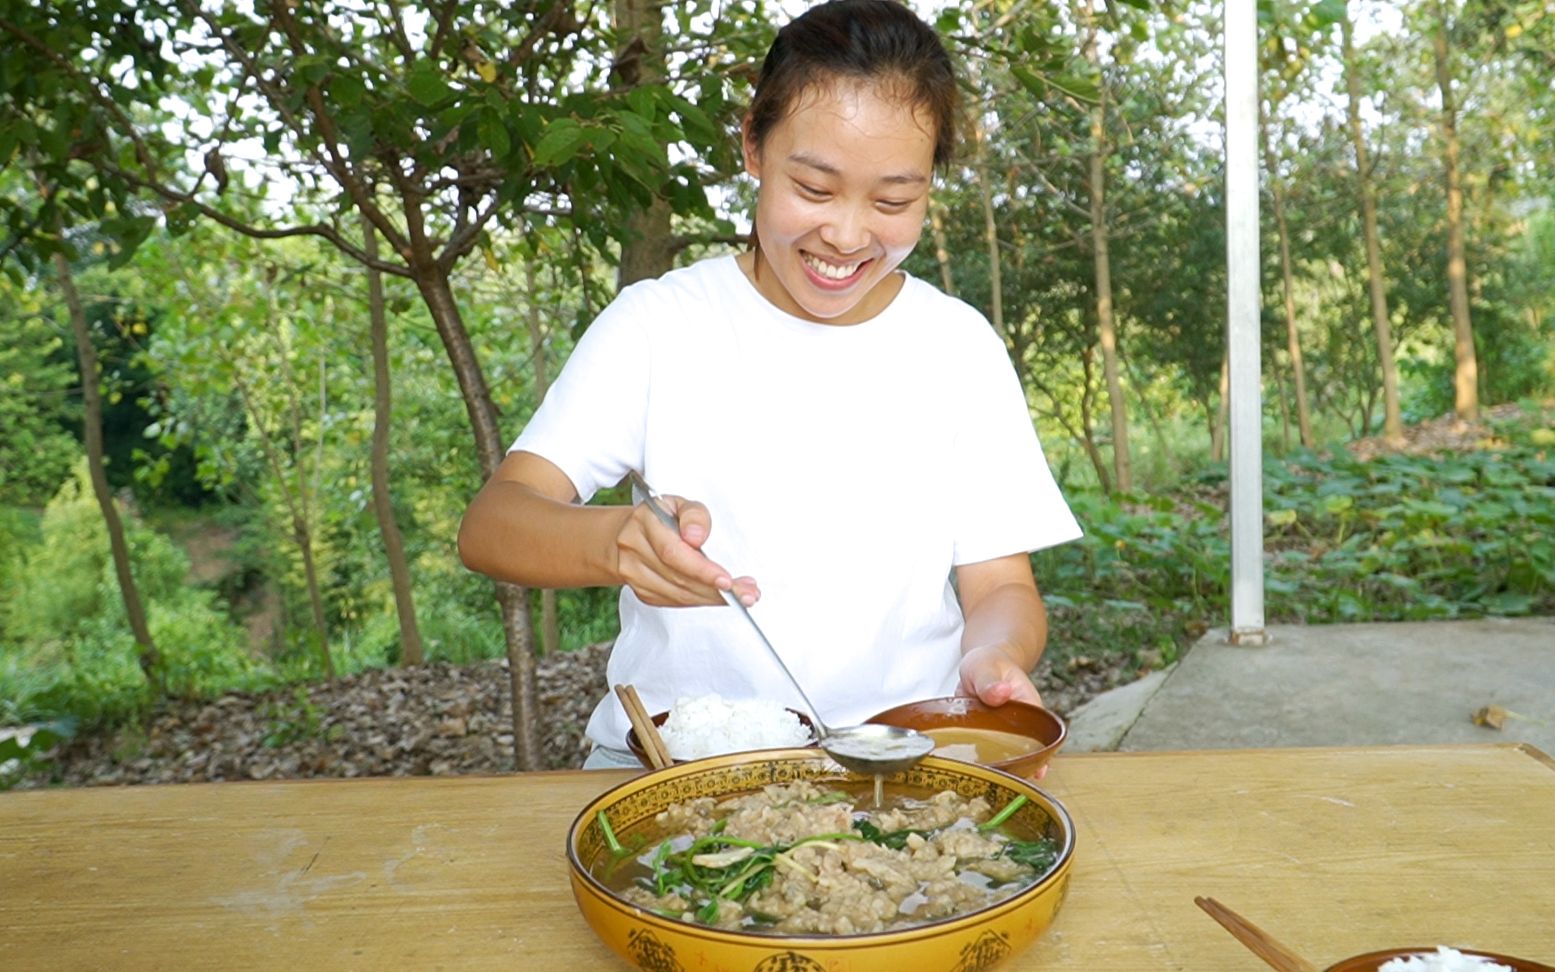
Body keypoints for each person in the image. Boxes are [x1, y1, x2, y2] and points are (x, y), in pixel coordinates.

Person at [458, 0, 1081, 770]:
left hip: (902, 758)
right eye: (814, 188)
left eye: (892, 201)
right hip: (671, 769)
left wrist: (992, 659)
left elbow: (996, 588)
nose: (847, 236)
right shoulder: (660, 326)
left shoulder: (956, 347)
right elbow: (492, 525)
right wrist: (613, 541)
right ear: (753, 144)